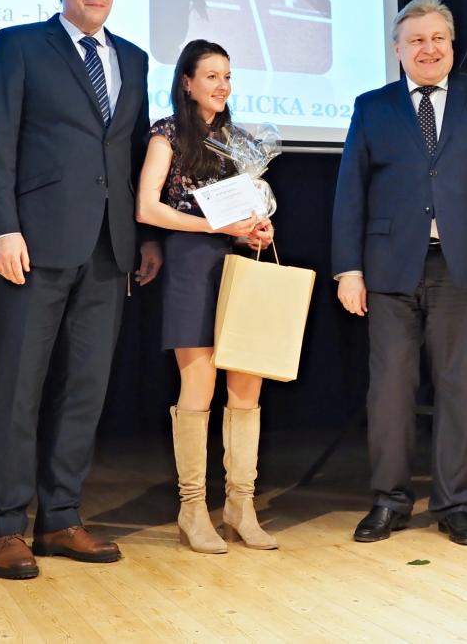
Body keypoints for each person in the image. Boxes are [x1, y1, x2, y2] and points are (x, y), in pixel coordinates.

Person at [0, 0, 163, 580]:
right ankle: (5, 524)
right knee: (19, 388)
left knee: (85, 389)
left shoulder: (132, 58)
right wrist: (2, 228)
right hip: (35, 243)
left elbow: (132, 156)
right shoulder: (19, 46)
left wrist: (146, 237)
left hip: (110, 248)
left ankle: (60, 518)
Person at [331, 0, 467, 546]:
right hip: (389, 270)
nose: (428, 48)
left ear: (451, 45)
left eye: (438, 38)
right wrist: (348, 270)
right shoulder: (372, 107)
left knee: (459, 389)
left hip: (464, 266)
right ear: (397, 50)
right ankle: (389, 500)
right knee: (390, 392)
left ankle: (455, 504)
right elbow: (350, 193)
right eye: (416, 40)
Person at [135, 39, 277, 554]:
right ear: (187, 82)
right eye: (212, 76)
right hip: (191, 266)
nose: (222, 85)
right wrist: (212, 225)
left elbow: (242, 220)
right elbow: (147, 208)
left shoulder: (241, 143)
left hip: (236, 266)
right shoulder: (167, 134)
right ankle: (193, 509)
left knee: (247, 387)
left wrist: (255, 230)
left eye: (228, 76)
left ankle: (241, 506)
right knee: (198, 386)